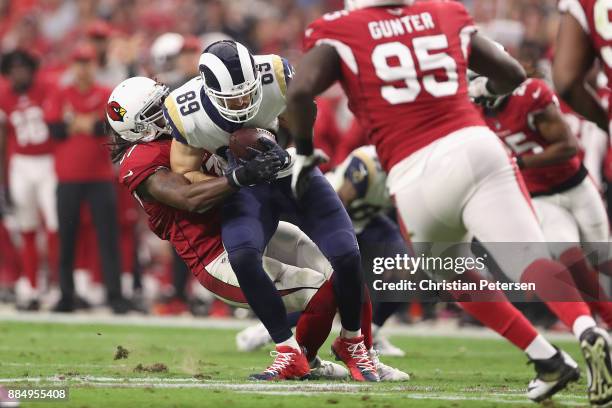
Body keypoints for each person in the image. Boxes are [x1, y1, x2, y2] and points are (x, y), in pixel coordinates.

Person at [285, 0, 612, 404]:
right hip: (478, 146)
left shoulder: (340, 27)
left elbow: (299, 91)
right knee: (531, 258)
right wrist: (486, 89)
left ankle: (545, 357)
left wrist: (303, 152)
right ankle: (586, 329)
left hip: (415, 169)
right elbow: (510, 73)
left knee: (453, 275)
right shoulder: (444, 12)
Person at [107, 76, 407, 381]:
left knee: (346, 271)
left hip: (243, 218)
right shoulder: (140, 158)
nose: (166, 108)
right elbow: (188, 198)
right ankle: (301, 358)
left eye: (163, 99)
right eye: (156, 109)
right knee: (320, 292)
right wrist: (240, 177)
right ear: (137, 126)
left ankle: (363, 354)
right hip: (213, 252)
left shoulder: (190, 124)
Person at [165, 40, 377, 381]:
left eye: (248, 94)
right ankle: (288, 351)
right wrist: (234, 175)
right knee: (243, 256)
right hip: (246, 189)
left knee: (348, 254)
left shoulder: (275, 74)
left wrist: (290, 146)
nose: (244, 103)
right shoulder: (186, 109)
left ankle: (353, 343)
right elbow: (183, 171)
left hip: (294, 175)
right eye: (233, 99)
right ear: (210, 92)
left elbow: (305, 111)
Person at [477, 76, 612, 326]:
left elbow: (568, 146)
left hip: (575, 186)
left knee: (603, 257)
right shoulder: (471, 112)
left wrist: (519, 162)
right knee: (571, 261)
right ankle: (602, 321)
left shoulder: (531, 94)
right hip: (539, 196)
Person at [46, 45, 132, 314]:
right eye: (79, 63)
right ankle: (66, 295)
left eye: (87, 63)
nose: (83, 68)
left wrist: (78, 123)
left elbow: (110, 125)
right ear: (72, 66)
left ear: (93, 66)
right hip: (68, 177)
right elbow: (55, 129)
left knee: (108, 237)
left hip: (99, 177)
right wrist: (86, 123)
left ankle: (115, 296)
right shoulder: (61, 93)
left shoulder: (106, 94)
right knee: (67, 237)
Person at [0, 49, 58, 310]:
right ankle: (31, 282)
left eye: (23, 68)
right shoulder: (3, 95)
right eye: (14, 69)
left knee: (54, 225)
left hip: (47, 161)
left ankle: (56, 284)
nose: (19, 73)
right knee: (26, 226)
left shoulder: (46, 88)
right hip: (21, 163)